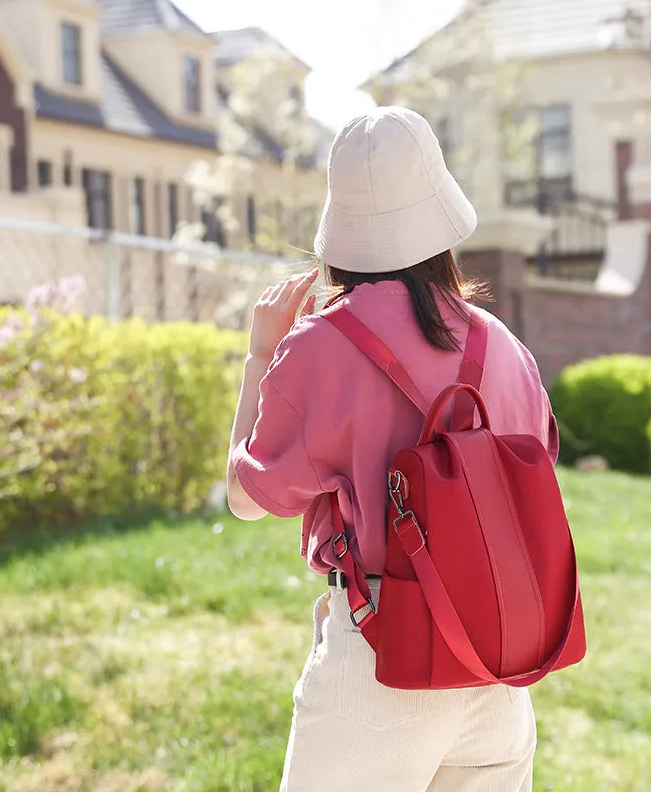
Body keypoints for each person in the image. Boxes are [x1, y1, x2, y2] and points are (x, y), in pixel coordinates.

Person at [227, 106, 558, 793]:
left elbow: (247, 498)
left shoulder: (320, 346)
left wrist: (261, 355)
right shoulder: (505, 346)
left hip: (383, 658)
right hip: (499, 665)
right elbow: (539, 467)